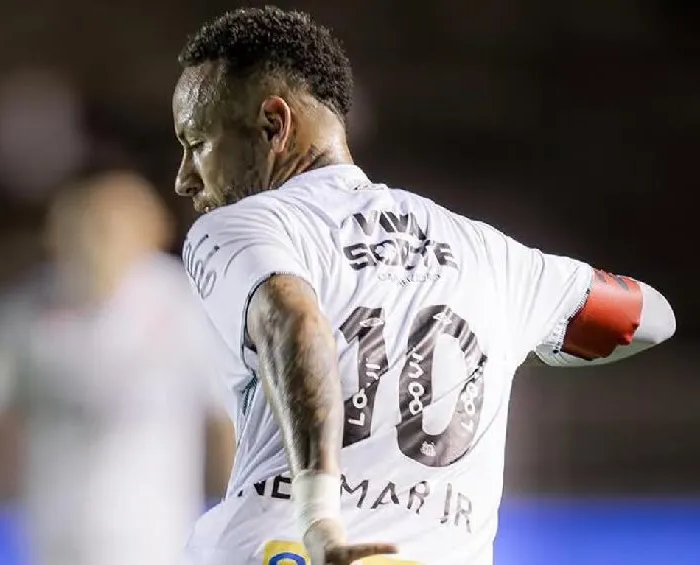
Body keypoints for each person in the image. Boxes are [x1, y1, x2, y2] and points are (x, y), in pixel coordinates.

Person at [170, 7, 676, 565]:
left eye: (197, 142)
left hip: (286, 550)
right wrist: (512, 338)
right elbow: (649, 317)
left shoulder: (248, 225)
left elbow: (293, 321)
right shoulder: (495, 259)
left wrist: (319, 517)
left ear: (274, 124)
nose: (185, 177)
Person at [0, 171, 231, 565]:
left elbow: (227, 423)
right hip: (55, 543)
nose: (94, 243)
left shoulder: (184, 306)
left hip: (157, 544)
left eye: (108, 230)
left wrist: (238, 529)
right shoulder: (19, 314)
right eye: (82, 230)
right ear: (54, 238)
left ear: (150, 233)